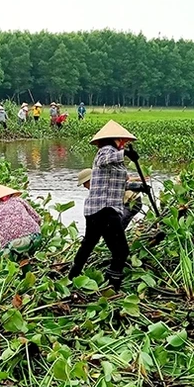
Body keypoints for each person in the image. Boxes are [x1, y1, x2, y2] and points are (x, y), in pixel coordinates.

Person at [69, 120, 149, 291]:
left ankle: (72, 278)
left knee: (88, 245)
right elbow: (105, 159)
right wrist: (126, 154)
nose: (124, 144)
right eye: (123, 141)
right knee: (121, 251)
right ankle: (113, 286)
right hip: (105, 210)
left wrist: (140, 187)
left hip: (96, 210)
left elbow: (119, 184)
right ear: (116, 140)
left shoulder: (116, 160)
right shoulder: (106, 151)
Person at [0, 183, 42, 259]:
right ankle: (25, 262)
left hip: (13, 245)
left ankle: (20, 261)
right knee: (22, 256)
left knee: (2, 258)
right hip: (36, 238)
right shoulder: (18, 200)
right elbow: (38, 218)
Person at [78, 168, 144, 230]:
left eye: (85, 183)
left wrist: (141, 187)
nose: (84, 186)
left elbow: (126, 185)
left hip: (132, 203)